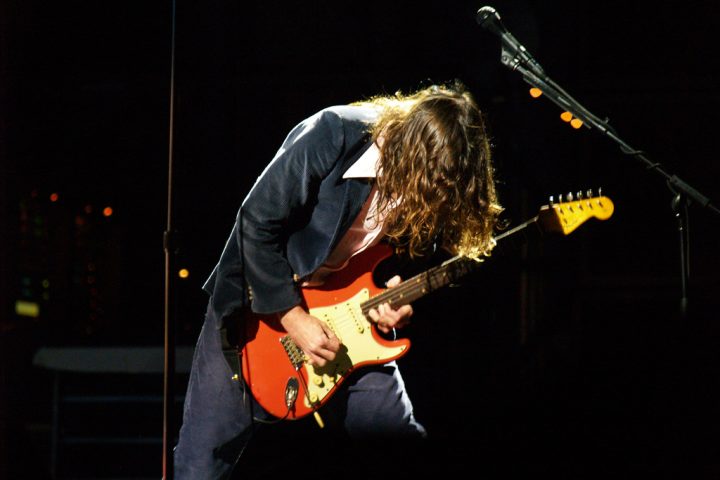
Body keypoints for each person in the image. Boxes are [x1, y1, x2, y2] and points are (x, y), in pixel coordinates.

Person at [173, 80, 503, 479]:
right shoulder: (333, 131)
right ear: (412, 149)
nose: (431, 195)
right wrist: (294, 318)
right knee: (202, 463)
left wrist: (390, 301)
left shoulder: (429, 180)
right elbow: (254, 225)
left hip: (346, 322)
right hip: (257, 309)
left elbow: (373, 262)